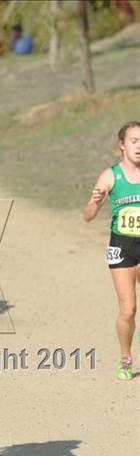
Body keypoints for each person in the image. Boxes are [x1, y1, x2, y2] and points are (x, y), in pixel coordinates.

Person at [83, 122, 140, 380]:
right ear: (122, 145)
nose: (138, 147)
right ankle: (126, 358)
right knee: (128, 310)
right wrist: (95, 203)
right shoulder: (110, 176)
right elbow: (87, 216)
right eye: (134, 141)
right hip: (122, 245)